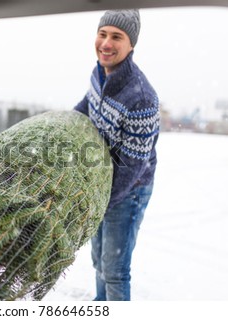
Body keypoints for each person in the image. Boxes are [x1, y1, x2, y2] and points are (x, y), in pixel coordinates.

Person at [74, 9, 160, 300]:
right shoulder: (98, 72)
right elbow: (88, 104)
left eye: (116, 37)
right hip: (102, 184)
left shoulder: (141, 97)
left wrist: (101, 199)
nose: (106, 43)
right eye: (102, 34)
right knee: (98, 260)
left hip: (129, 189)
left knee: (115, 269)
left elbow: (132, 166)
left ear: (131, 44)